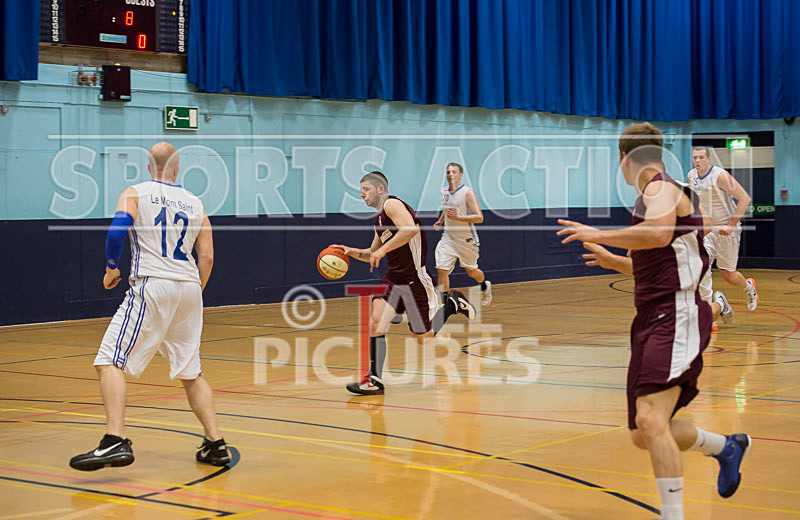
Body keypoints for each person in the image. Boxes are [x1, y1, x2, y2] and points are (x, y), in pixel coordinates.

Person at [557, 123, 749, 520]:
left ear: (625, 159)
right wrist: (614, 261)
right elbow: (657, 261)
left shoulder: (661, 189)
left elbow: (659, 236)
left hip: (676, 313)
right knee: (643, 432)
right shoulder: (653, 199)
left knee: (649, 417)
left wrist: (601, 235)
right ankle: (726, 447)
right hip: (653, 315)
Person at [69, 142, 230, 471]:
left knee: (109, 360)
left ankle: (115, 439)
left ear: (148, 167)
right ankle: (216, 444)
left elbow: (117, 231)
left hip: (153, 284)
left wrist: (111, 267)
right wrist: (193, 291)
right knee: (191, 371)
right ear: (177, 168)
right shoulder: (196, 203)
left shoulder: (136, 193)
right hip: (189, 288)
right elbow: (208, 256)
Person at [332, 171, 476, 396]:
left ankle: (451, 305)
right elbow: (371, 252)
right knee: (375, 323)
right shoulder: (380, 220)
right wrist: (351, 252)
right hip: (394, 278)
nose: (362, 195)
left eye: (366, 189)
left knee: (423, 339)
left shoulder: (392, 204)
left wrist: (382, 251)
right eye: (361, 191)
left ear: (380, 189)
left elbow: (410, 229)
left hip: (413, 279)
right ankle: (374, 380)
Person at [687, 147, 758, 315]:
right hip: (707, 230)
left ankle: (749, 288)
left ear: (708, 159)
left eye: (701, 157)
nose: (697, 161)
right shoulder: (691, 176)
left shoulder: (720, 176)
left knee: (728, 275)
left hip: (727, 230)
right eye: (695, 158)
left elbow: (745, 198)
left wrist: (731, 225)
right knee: (702, 265)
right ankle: (708, 312)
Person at [432, 162, 492, 307]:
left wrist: (458, 217)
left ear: (460, 175)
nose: (450, 174)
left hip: (466, 239)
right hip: (448, 237)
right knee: (442, 269)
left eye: (454, 172)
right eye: (448, 172)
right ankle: (444, 304)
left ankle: (484, 285)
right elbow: (447, 209)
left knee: (471, 271)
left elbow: (479, 218)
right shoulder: (444, 191)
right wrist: (440, 220)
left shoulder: (467, 193)